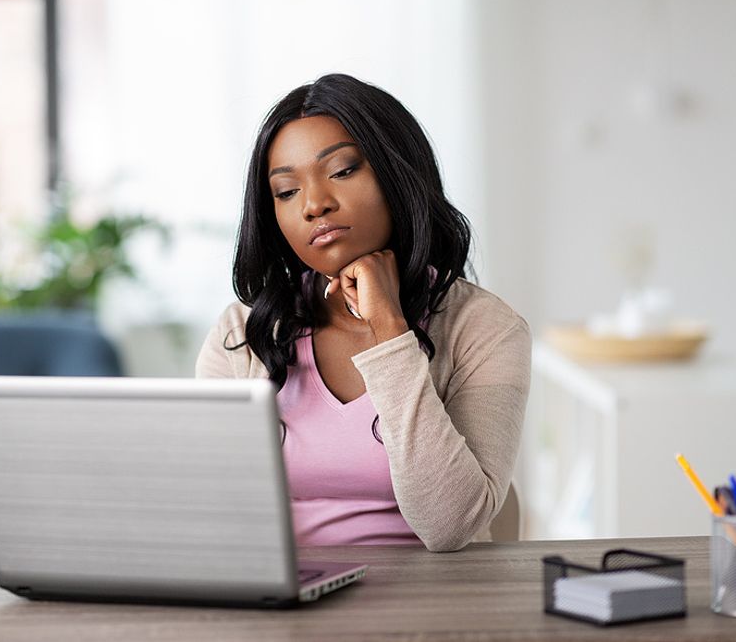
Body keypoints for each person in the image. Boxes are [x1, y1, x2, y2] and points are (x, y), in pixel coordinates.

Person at [195, 74, 531, 552]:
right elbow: (214, 517)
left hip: (434, 607)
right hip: (290, 607)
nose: (315, 204)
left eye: (343, 170)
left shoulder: (486, 330)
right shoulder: (240, 334)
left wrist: (391, 333)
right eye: (286, 192)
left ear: (398, 173)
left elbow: (451, 525)